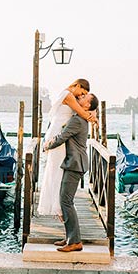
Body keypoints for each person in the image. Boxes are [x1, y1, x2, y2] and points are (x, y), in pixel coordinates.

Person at [44, 92, 99, 253]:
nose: (80, 98)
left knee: (66, 201)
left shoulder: (77, 120)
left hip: (75, 164)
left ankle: (75, 241)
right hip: (74, 163)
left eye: (83, 98)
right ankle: (70, 237)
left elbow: (62, 137)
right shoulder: (80, 117)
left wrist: (47, 145)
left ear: (87, 105)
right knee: (65, 200)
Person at [37, 80, 97, 218]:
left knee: (58, 169)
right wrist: (93, 118)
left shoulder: (74, 97)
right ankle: (58, 206)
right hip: (57, 133)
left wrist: (93, 112)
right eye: (82, 92)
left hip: (60, 132)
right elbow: (82, 112)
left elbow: (87, 107)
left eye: (85, 95)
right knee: (56, 169)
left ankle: (59, 205)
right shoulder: (67, 95)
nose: (82, 96)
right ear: (77, 86)